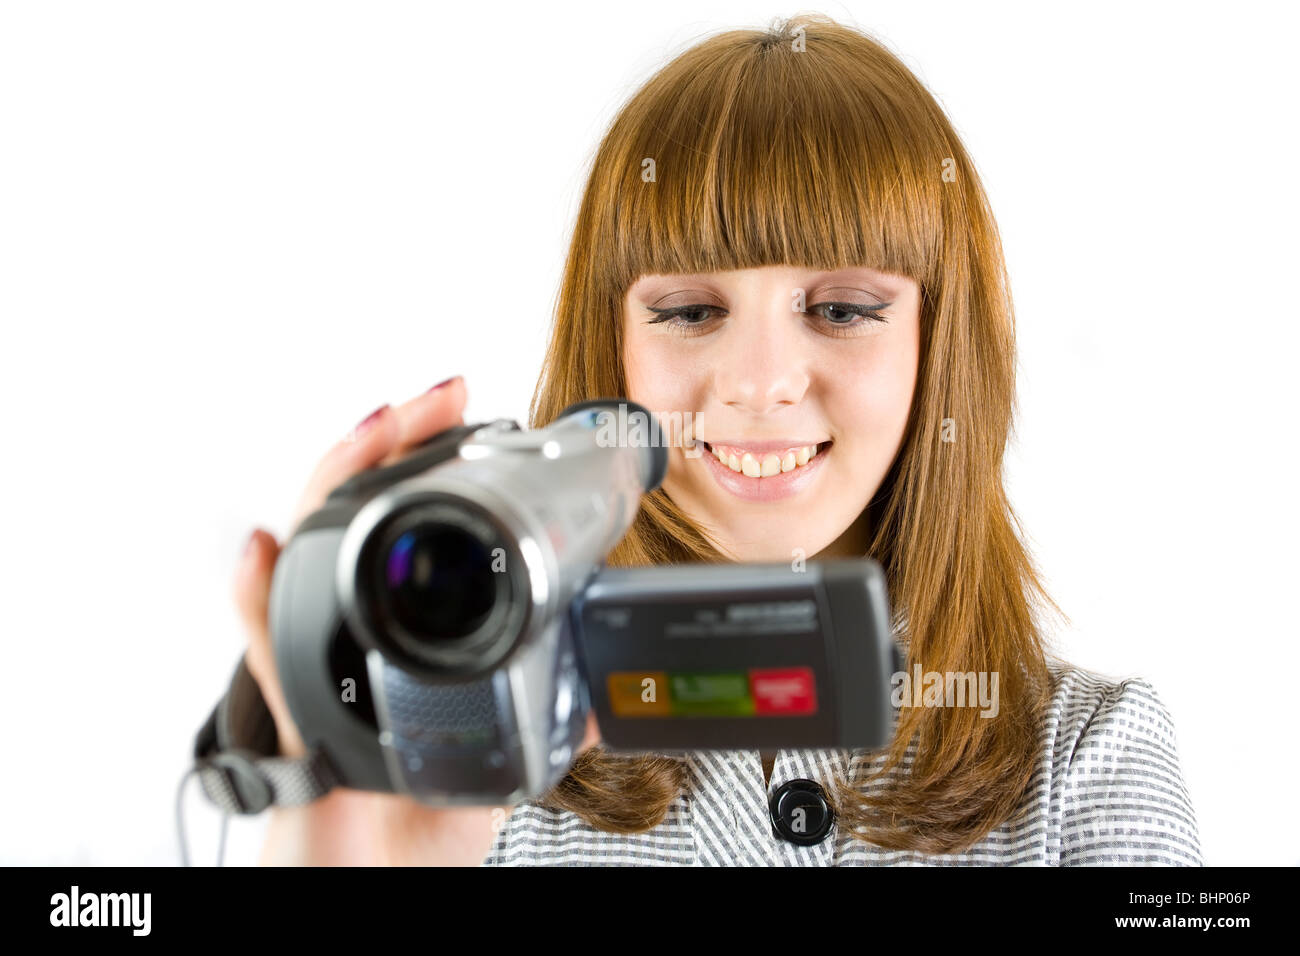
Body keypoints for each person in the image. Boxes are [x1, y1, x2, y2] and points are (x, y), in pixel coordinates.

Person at [233, 14, 1202, 866]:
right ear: (610, 351)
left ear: (936, 347)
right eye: (690, 311)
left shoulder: (1088, 762)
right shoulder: (480, 785)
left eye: (841, 307)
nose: (756, 380)